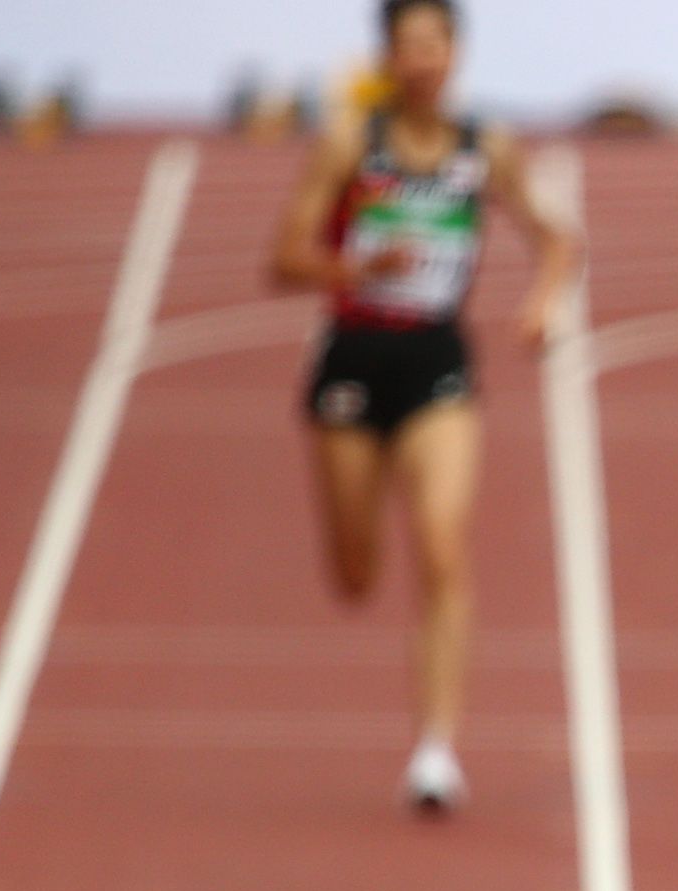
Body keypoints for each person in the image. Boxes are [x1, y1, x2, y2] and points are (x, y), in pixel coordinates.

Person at [270, 0, 576, 813]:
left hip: (439, 362)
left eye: (434, 46)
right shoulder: (352, 144)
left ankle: (436, 750)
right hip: (351, 365)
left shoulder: (485, 147)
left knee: (442, 546)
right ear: (388, 58)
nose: (422, 62)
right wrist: (354, 268)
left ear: (455, 55)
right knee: (357, 572)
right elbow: (284, 256)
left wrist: (543, 303)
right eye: (407, 47)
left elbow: (558, 239)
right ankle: (425, 724)